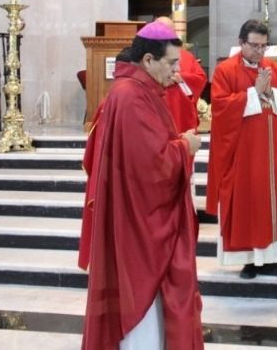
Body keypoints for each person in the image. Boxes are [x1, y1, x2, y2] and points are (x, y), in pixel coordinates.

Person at [79, 22, 204, 350]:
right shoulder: (133, 96)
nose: (177, 71)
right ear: (148, 60)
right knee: (145, 317)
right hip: (140, 225)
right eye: (172, 63)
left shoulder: (137, 90)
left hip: (134, 212)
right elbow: (150, 168)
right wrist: (185, 147)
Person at [206, 20, 277, 280]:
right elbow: (220, 108)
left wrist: (270, 92)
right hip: (245, 153)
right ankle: (249, 260)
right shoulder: (225, 71)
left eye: (264, 46)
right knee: (250, 201)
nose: (260, 52)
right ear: (241, 43)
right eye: (254, 46)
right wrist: (253, 93)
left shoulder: (274, 69)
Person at [154, 16, 208, 133]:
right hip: (154, 111)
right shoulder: (148, 57)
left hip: (180, 113)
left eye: (168, 32)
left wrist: (182, 78)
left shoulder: (186, 56)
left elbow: (200, 78)